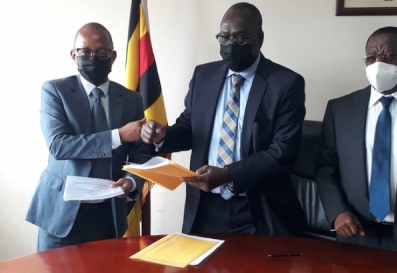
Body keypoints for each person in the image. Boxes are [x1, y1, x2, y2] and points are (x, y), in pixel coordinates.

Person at [141, 2, 307, 235]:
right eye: (224, 37)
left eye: (240, 37)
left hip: (258, 208)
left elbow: (283, 151)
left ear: (259, 38)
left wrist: (229, 175)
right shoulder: (204, 75)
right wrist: (163, 135)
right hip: (205, 206)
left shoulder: (286, 84)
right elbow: (190, 128)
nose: (230, 44)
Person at [26, 22, 151, 252]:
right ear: (74, 55)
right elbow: (59, 146)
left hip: (108, 215)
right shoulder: (55, 91)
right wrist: (118, 136)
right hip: (61, 216)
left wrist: (132, 181)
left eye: (102, 52)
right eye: (85, 52)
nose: (93, 57)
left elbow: (141, 154)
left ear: (112, 57)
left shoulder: (131, 100)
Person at [316, 26, 397, 251]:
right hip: (357, 233)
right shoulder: (340, 109)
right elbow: (326, 167)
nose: (378, 64)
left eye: (389, 55)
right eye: (371, 57)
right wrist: (337, 212)